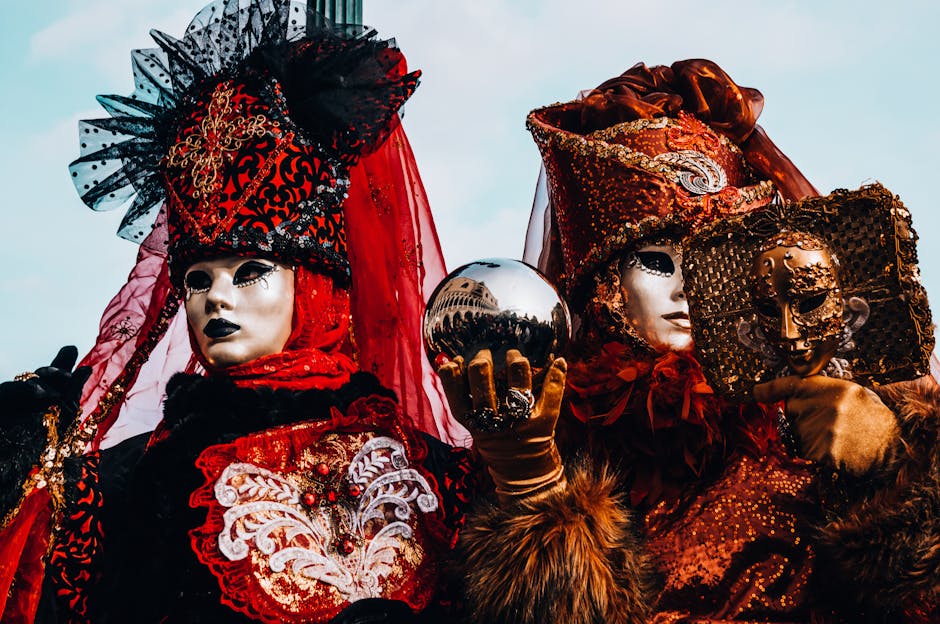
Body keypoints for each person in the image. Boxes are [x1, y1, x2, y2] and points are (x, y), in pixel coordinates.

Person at [0, 1, 473, 622]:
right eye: (197, 280)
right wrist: (20, 466)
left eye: (250, 272)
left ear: (317, 287)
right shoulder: (143, 478)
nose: (216, 298)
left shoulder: (432, 468)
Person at [445, 60, 939, 623]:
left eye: (706, 259)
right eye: (657, 263)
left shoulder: (806, 422)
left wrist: (896, 469)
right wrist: (535, 494)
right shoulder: (549, 441)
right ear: (603, 287)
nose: (686, 289)